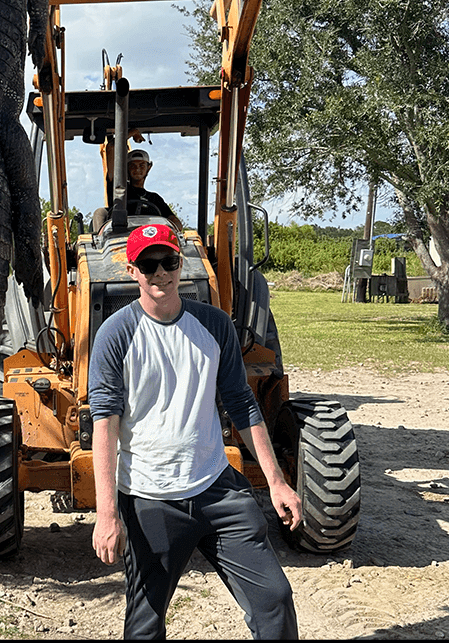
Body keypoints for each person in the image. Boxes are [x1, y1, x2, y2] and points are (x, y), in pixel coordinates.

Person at [88, 223, 302, 640]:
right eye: (148, 264)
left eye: (167, 260)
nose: (160, 272)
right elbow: (105, 427)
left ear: (180, 263)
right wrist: (108, 513)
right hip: (150, 499)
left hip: (217, 489)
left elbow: (243, 405)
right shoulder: (115, 335)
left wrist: (276, 483)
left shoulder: (215, 325)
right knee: (144, 626)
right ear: (132, 271)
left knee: (274, 598)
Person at [125, 149, 184, 233]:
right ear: (126, 168)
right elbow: (110, 148)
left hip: (151, 239)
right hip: (124, 239)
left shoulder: (155, 198)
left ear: (148, 168)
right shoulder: (121, 193)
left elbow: (175, 223)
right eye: (133, 166)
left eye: (141, 166)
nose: (137, 169)